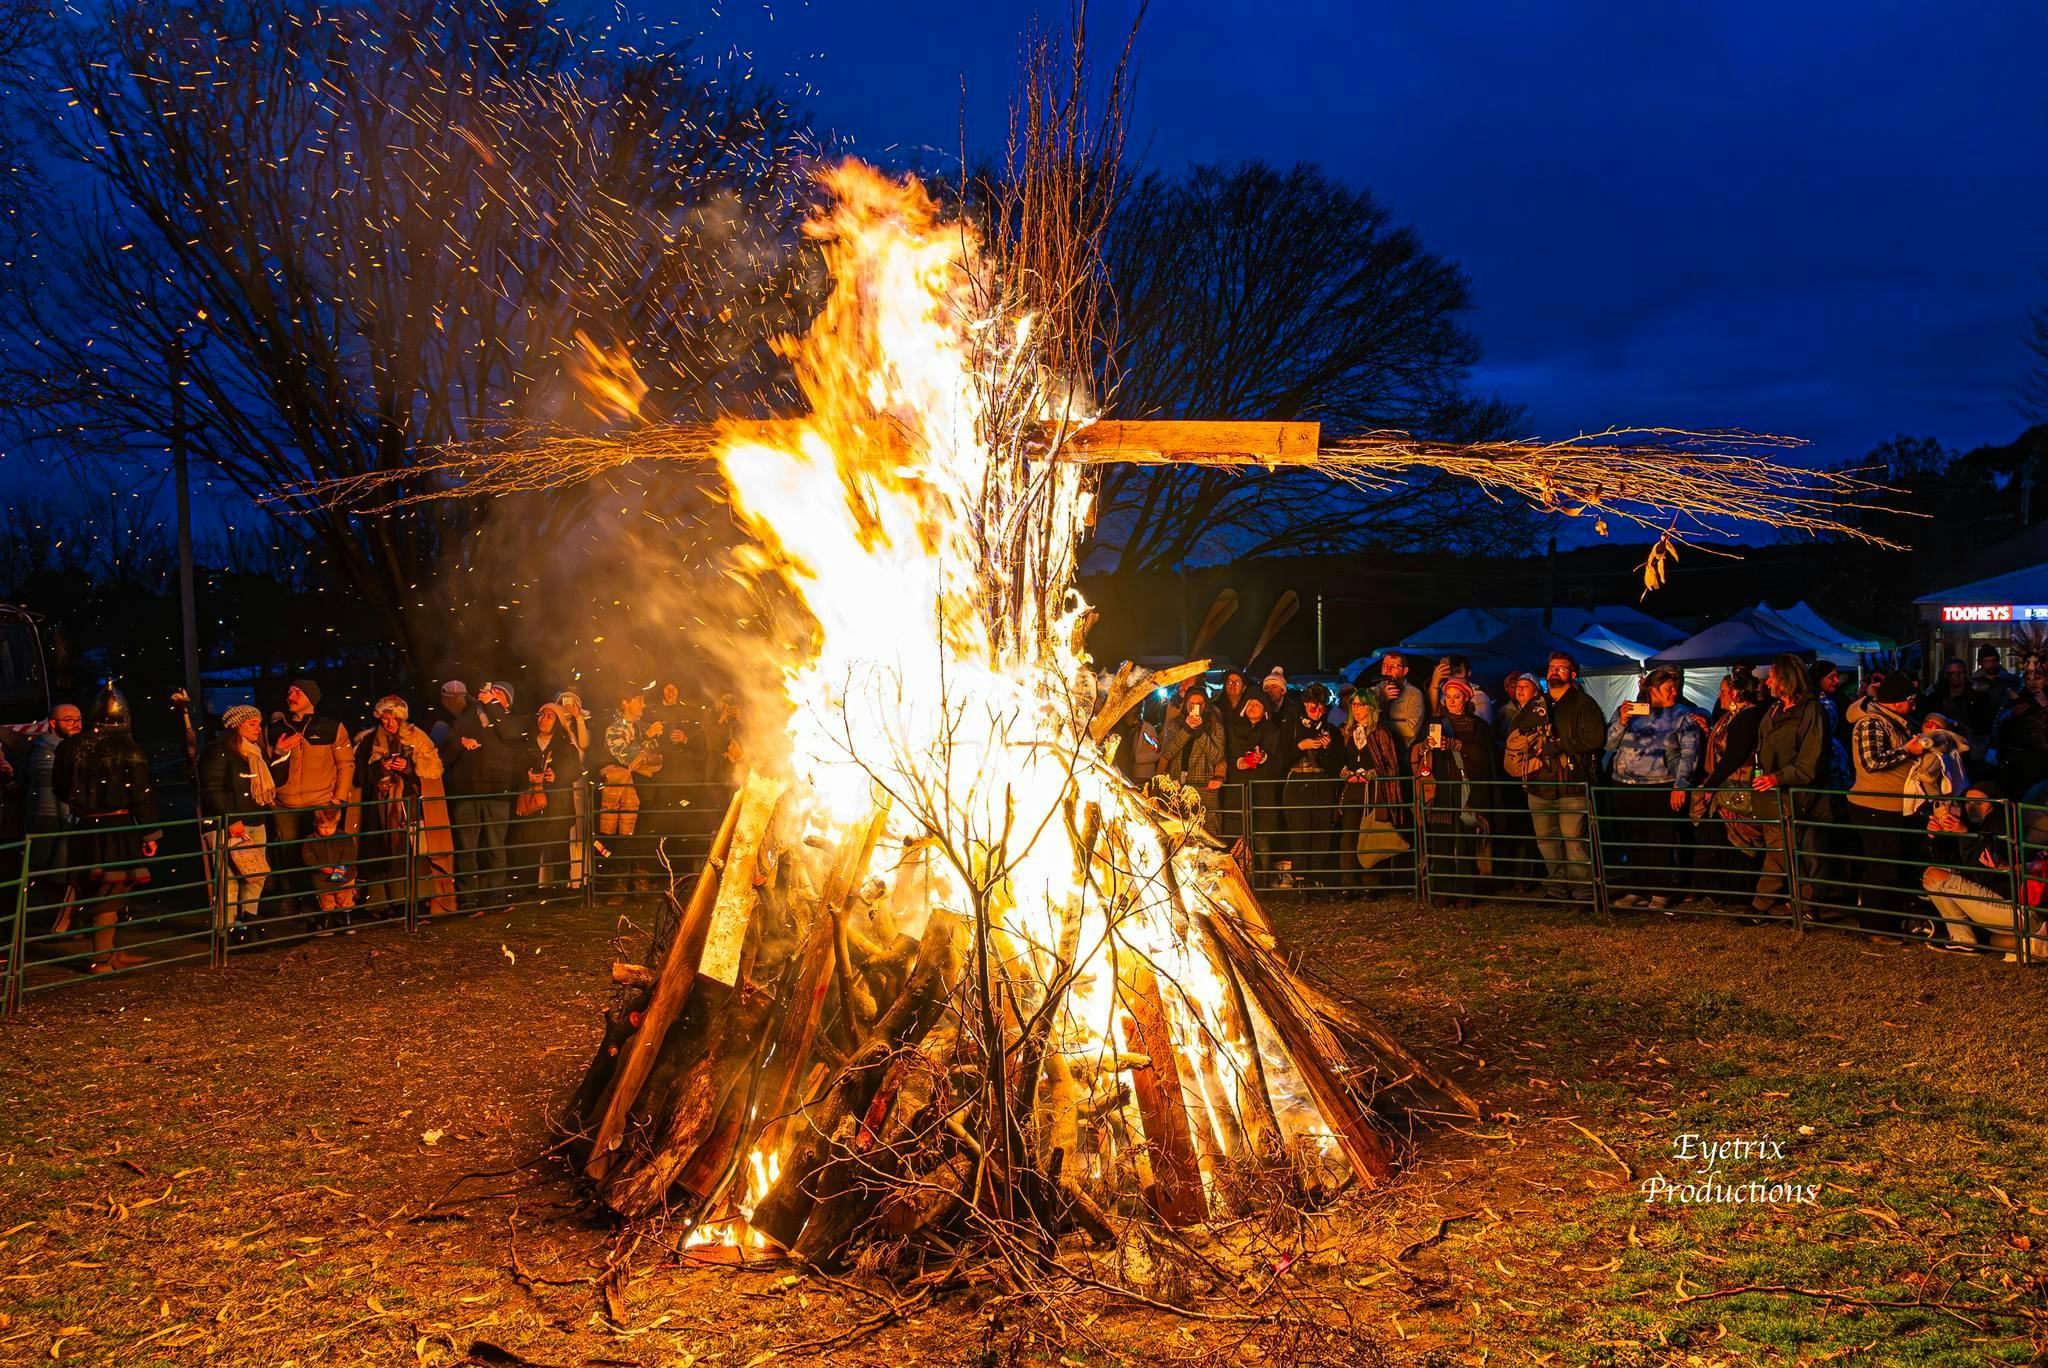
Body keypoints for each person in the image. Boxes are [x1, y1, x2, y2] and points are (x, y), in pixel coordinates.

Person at [61, 684, 160, 974]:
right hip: (116, 828)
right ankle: (101, 959)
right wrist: (149, 834)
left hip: (85, 827)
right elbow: (141, 796)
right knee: (109, 892)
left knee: (108, 892)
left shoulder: (71, 746)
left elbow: (60, 788)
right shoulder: (129, 750)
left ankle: (110, 952)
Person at [1507, 652, 1606, 904]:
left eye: (1561, 668)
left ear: (1572, 674)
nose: (1554, 672)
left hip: (1571, 784)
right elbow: (1517, 733)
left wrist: (1560, 745)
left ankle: (1583, 893)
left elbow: (1595, 739)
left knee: (1574, 842)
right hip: (1540, 784)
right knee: (1547, 842)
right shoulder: (1537, 704)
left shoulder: (1585, 704)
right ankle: (1558, 889)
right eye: (1551, 668)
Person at [1602, 667, 1701, 910]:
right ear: (1653, 689)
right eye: (1669, 688)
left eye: (1676, 687)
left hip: (1661, 785)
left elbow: (1690, 753)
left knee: (1660, 838)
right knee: (1633, 837)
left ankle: (1660, 891)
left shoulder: (1682, 716)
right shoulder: (1630, 712)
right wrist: (1622, 721)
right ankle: (1636, 888)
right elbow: (1609, 743)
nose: (1674, 692)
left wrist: (1681, 785)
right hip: (1625, 785)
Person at [265, 677, 357, 925]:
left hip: (320, 803)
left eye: (298, 692)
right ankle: (291, 900)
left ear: (311, 698)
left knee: (321, 856)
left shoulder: (331, 727)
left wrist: (339, 797)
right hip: (285, 805)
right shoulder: (275, 729)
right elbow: (264, 766)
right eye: (289, 691)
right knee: (288, 854)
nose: (291, 696)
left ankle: (322, 904)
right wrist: (278, 751)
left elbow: (345, 764)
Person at [354, 696, 455, 918]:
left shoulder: (418, 739)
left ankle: (416, 902)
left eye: (394, 718)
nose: (390, 723)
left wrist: (408, 767)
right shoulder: (368, 742)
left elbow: (430, 774)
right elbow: (360, 776)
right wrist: (381, 768)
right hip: (380, 807)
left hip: (410, 806)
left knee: (414, 853)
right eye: (386, 718)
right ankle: (383, 904)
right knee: (384, 853)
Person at [1843, 671, 1929, 932]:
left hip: (1893, 804)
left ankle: (1890, 921)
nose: (1914, 704)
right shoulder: (1872, 723)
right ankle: (1875, 926)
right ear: (1897, 700)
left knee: (1894, 864)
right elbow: (1872, 762)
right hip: (1875, 805)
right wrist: (1907, 751)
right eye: (1911, 699)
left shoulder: (1897, 721)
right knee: (1883, 867)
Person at [441, 680, 536, 912]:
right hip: (467, 792)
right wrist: (460, 743)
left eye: (499, 694)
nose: (492, 696)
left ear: (506, 702)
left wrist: (491, 706)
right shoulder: (467, 719)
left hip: (497, 792)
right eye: (491, 692)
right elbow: (448, 754)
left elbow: (509, 734)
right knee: (467, 849)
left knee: (496, 848)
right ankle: (468, 900)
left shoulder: (510, 721)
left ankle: (496, 897)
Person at [1750, 654, 1829, 917]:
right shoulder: (1774, 710)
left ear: (1786, 678)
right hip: (1772, 793)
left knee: (1782, 849)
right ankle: (1805, 905)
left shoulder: (1811, 710)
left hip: (1796, 794)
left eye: (1772, 675)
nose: (1767, 681)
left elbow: (1811, 760)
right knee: (1787, 850)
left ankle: (1762, 906)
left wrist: (1778, 777)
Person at [1413, 677, 1500, 907]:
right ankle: (1443, 889)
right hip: (1442, 789)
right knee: (1442, 839)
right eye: (1448, 697)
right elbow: (1415, 754)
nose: (1451, 701)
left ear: (1466, 698)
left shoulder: (1478, 726)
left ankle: (1465, 891)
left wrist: (1457, 745)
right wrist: (1424, 747)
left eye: (1456, 696)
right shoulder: (1435, 724)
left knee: (1464, 840)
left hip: (1466, 789)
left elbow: (1485, 757)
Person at [1686, 670, 1767, 911]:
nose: (1719, 696)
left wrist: (1712, 784)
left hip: (1737, 788)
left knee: (1739, 840)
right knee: (1718, 839)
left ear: (1734, 693)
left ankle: (1739, 895)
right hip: (1724, 785)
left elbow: (1734, 755)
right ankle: (1720, 892)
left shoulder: (1749, 717)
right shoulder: (1731, 716)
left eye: (1722, 692)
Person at [198, 704, 276, 939]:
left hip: (255, 821)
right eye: (252, 724)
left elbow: (269, 782)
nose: (258, 729)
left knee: (255, 874)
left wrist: (280, 755)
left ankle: (249, 920)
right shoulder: (219, 752)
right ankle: (227, 928)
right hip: (229, 825)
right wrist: (230, 819)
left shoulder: (256, 752)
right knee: (229, 880)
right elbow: (212, 789)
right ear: (236, 726)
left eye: (258, 724)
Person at [1335, 691, 1407, 893]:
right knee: (1349, 836)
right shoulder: (1347, 731)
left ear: (1371, 707)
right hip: (1352, 789)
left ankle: (1370, 885)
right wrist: (1345, 773)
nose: (1357, 709)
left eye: (1361, 705)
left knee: (1371, 834)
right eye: (1354, 705)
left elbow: (1389, 763)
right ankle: (1349, 885)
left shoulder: (1381, 732)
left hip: (1374, 791)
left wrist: (1371, 774)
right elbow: (1340, 759)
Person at [600, 689, 666, 902]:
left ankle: (641, 885)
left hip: (646, 789)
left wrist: (643, 753)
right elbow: (625, 757)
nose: (643, 705)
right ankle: (618, 887)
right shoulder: (614, 730)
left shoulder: (644, 727)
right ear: (625, 702)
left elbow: (656, 761)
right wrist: (643, 743)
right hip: (625, 790)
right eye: (639, 700)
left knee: (645, 836)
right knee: (623, 837)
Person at [24, 703, 83, 934]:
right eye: (69, 719)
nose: (76, 724)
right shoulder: (47, 751)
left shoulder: (64, 748)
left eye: (78, 719)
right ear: (53, 723)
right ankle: (49, 921)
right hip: (49, 819)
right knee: (53, 873)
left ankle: (55, 920)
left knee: (59, 872)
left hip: (59, 817)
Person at [1277, 683, 1340, 888]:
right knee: (1299, 831)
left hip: (1321, 783)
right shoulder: (1291, 724)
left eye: (1322, 707)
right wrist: (1300, 747)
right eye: (1314, 706)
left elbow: (1335, 765)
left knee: (1321, 831)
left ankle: (1317, 878)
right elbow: (1281, 760)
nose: (1317, 711)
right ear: (1305, 704)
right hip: (1297, 782)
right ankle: (1301, 878)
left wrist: (1327, 749)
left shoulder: (1331, 725)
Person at [522, 702, 582, 893]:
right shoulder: (526, 742)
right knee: (529, 846)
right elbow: (515, 765)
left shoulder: (565, 744)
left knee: (559, 847)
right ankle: (527, 889)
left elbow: (576, 770)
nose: (544, 720)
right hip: (532, 804)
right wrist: (527, 776)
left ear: (557, 721)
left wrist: (557, 776)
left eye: (549, 716)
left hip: (558, 804)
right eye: (541, 715)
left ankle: (561, 889)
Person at [1228, 693, 1285, 875]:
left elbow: (1279, 762)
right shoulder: (1233, 729)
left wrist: (1264, 757)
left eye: (1258, 705)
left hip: (1263, 789)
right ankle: (1241, 877)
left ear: (1265, 710)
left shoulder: (1273, 731)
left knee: (1262, 834)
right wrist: (1238, 762)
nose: (1252, 707)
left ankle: (1263, 878)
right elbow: (1227, 755)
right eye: (1250, 703)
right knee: (1238, 832)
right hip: (1239, 788)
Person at [1157, 689, 1227, 829]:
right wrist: (1187, 730)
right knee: (1177, 832)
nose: (1195, 707)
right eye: (1191, 703)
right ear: (1185, 704)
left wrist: (1200, 732)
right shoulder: (1175, 725)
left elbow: (1217, 756)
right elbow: (1167, 752)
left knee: (1204, 833)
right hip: (1176, 786)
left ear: (1205, 705)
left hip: (1202, 787)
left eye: (1199, 704)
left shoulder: (1215, 726)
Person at [1994, 662, 2048, 800]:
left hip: (2044, 762)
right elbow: (1998, 729)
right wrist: (2010, 716)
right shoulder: (2014, 700)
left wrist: (2045, 708)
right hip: (2017, 764)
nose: (2032, 682)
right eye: (2028, 678)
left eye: (2038, 678)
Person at [301, 808, 358, 928]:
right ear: (315, 824)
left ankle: (347, 922)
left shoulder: (344, 838)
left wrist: (337, 873)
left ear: (336, 824)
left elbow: (348, 855)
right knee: (326, 900)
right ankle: (327, 922)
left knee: (345, 897)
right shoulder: (310, 841)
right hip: (322, 878)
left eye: (330, 827)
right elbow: (308, 856)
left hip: (344, 876)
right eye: (323, 827)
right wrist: (319, 867)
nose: (326, 831)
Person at [1374, 652, 1427, 757]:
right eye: (1385, 666)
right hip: (1377, 753)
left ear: (1405, 671)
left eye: (1394, 666)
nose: (1387, 670)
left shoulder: (1413, 694)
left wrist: (1382, 724)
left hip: (1402, 754)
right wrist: (1382, 700)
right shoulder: (1373, 692)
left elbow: (1411, 730)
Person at [429, 680, 469, 748]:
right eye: (454, 696)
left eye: (460, 696)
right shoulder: (441, 725)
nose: (458, 699)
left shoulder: (471, 715)